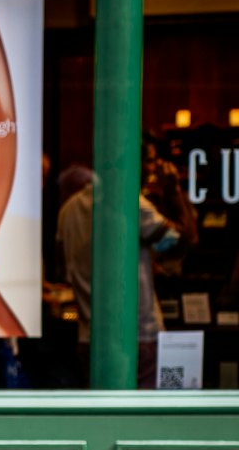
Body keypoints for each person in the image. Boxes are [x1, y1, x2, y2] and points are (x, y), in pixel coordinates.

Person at [56, 165, 180, 388]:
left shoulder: (69, 209)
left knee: (102, 415)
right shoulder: (128, 200)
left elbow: (60, 262)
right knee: (145, 414)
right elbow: (176, 241)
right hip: (137, 332)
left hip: (89, 334)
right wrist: (173, 192)